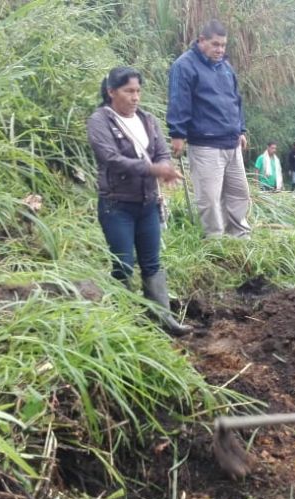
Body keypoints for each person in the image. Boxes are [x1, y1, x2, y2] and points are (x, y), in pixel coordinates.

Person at [87, 66, 192, 337]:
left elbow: (161, 152)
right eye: (128, 91)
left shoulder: (147, 119)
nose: (135, 97)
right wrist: (154, 170)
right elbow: (111, 158)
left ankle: (163, 319)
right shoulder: (100, 120)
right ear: (111, 92)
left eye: (138, 91)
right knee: (122, 263)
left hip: (147, 204)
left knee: (152, 262)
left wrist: (165, 166)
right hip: (117, 204)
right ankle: (125, 326)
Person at [167, 19, 251, 239]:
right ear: (201, 40)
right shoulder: (184, 66)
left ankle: (240, 237)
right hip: (205, 144)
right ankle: (214, 242)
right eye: (215, 44)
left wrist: (241, 130)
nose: (220, 50)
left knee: (239, 194)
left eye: (223, 45)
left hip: (231, 142)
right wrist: (177, 134)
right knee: (210, 198)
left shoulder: (226, 67)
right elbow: (178, 100)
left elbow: (236, 100)